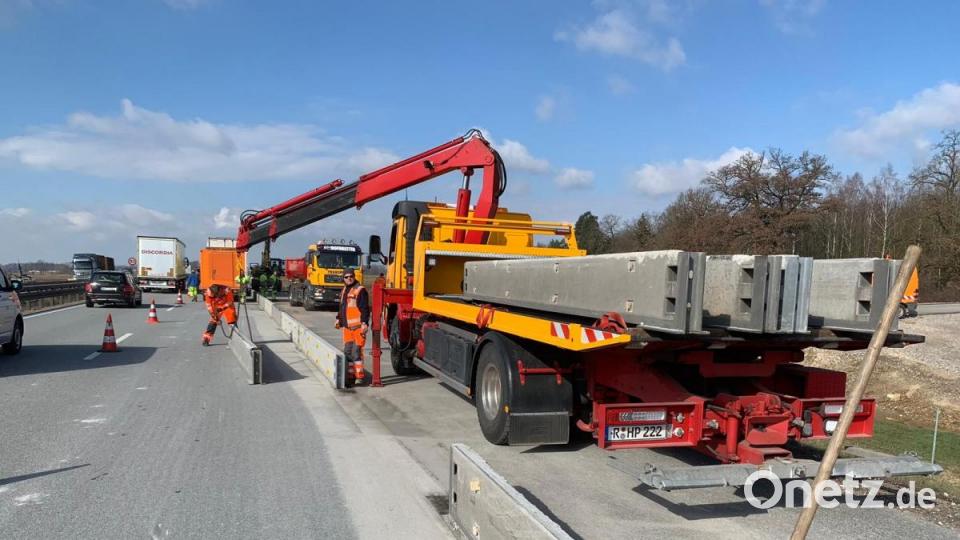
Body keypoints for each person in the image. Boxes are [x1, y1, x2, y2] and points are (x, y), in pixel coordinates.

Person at [335, 268, 369, 382]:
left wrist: (364, 323)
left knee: (356, 352)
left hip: (358, 327)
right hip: (347, 328)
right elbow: (342, 307)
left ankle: (359, 376)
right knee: (347, 352)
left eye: (351, 276)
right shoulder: (345, 290)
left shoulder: (360, 290)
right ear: (343, 279)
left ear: (354, 277)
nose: (349, 278)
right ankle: (350, 376)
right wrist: (338, 319)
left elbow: (365, 309)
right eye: (346, 277)